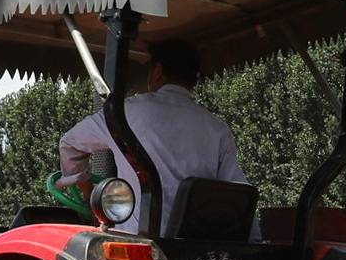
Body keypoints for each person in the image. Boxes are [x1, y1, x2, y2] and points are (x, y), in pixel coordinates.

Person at [57, 39, 248, 234]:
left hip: (136, 243)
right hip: (195, 245)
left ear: (157, 71)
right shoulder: (217, 128)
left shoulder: (123, 112)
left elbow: (69, 144)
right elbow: (237, 193)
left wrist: (90, 196)